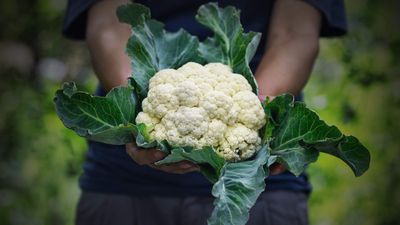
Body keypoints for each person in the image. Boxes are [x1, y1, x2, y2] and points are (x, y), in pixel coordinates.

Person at [63, 0, 347, 224]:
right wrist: (135, 119)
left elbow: (296, 32)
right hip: (122, 186)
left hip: (257, 190)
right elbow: (108, 25)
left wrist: (261, 112)